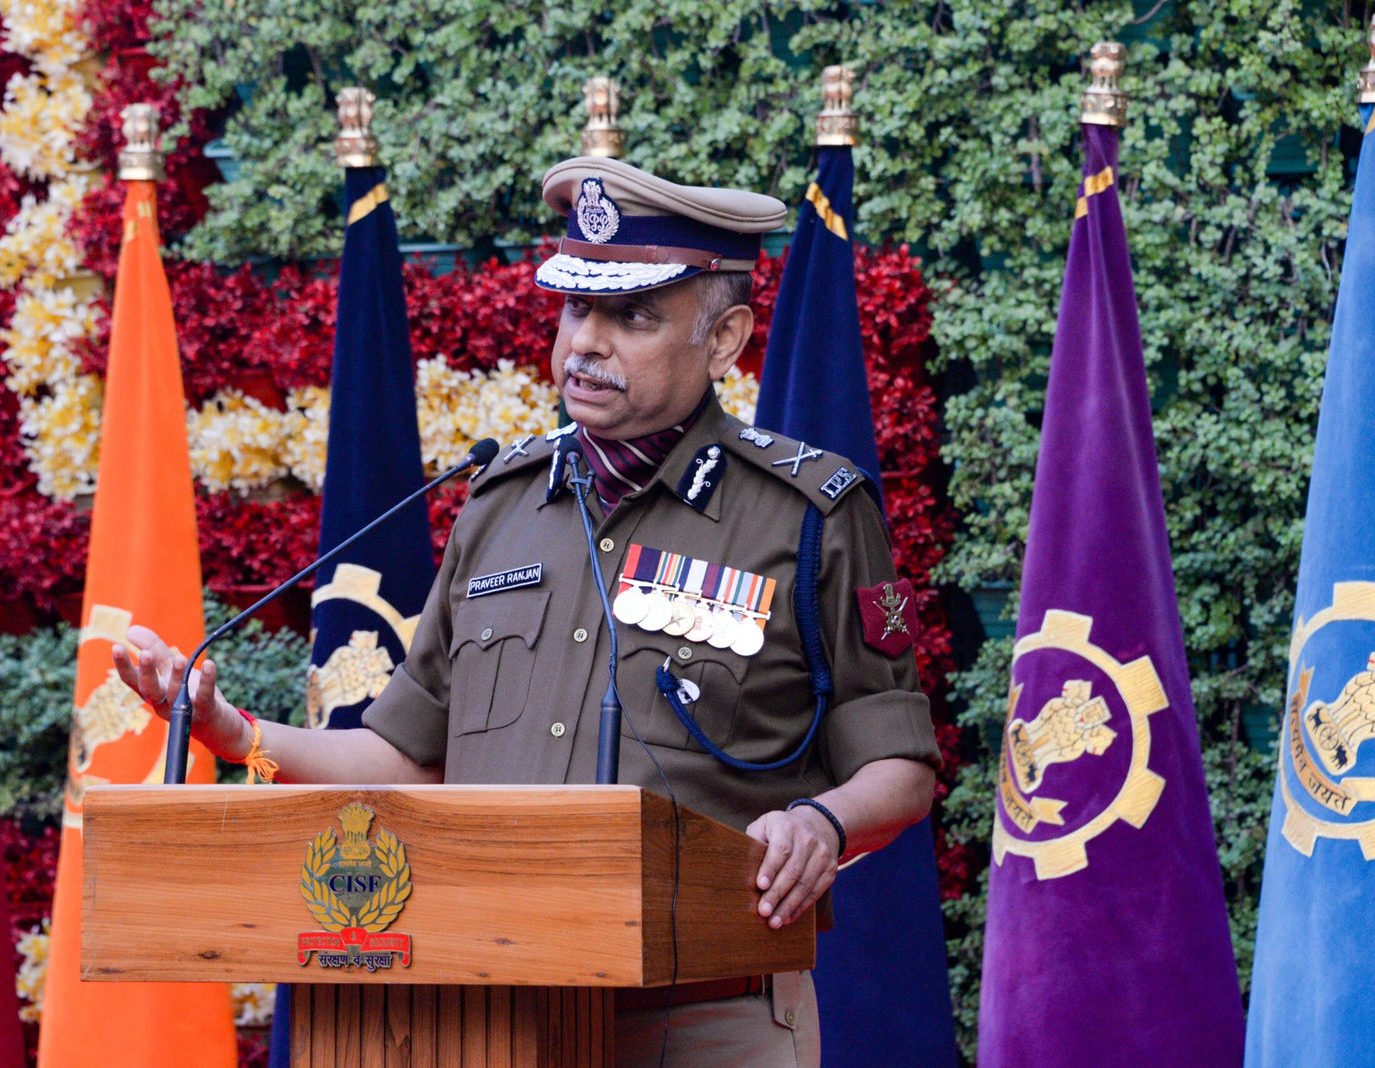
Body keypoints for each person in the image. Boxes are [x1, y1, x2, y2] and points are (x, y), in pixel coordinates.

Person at [112, 156, 939, 1067]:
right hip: (487, 1018)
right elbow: (406, 758)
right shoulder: (499, 504)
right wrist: (235, 735)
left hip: (706, 1019)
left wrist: (822, 824)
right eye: (577, 307)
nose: (587, 342)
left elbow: (899, 765)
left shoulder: (808, 515)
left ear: (725, 339)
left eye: (633, 316)